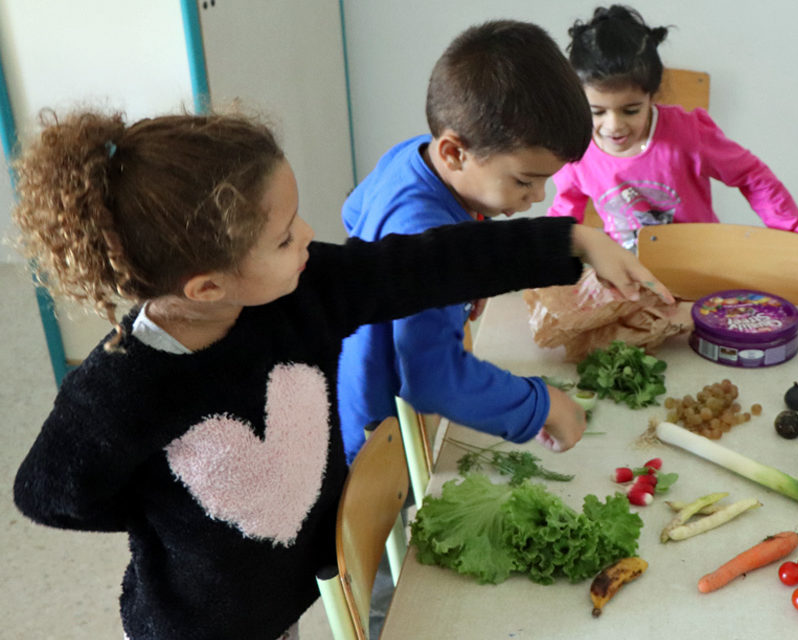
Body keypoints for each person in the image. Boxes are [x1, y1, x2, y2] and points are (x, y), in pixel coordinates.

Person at [10, 109, 666, 640]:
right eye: (283, 237)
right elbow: (48, 494)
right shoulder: (120, 388)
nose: (307, 235)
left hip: (287, 600)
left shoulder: (303, 288)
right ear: (208, 285)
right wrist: (168, 512)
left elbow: (424, 265)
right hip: (190, 628)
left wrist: (569, 241)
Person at [336, 20, 674, 465]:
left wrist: (464, 279)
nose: (537, 197)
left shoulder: (416, 155)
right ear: (455, 153)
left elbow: (355, 213)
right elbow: (432, 379)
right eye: (524, 181)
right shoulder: (420, 225)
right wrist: (541, 405)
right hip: (384, 438)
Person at [546, 4, 798, 257]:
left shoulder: (689, 134)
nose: (614, 125)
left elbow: (751, 175)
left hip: (700, 267)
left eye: (630, 110)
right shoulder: (577, 148)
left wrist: (794, 228)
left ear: (652, 96)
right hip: (627, 274)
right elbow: (564, 213)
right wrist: (548, 250)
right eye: (597, 112)